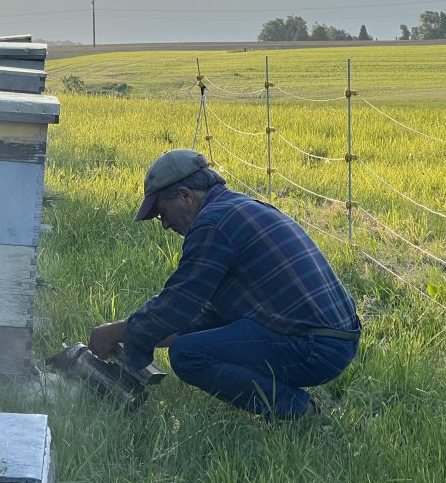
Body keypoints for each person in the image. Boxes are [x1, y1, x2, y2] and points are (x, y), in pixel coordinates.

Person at [88, 149, 360, 418]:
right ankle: (290, 401)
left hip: (315, 346)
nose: (165, 225)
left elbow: (178, 303)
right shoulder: (238, 208)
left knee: (188, 355)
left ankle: (298, 411)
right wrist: (136, 335)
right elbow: (202, 314)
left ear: (185, 196)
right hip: (329, 338)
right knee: (194, 340)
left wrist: (117, 332)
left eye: (162, 213)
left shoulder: (213, 224)